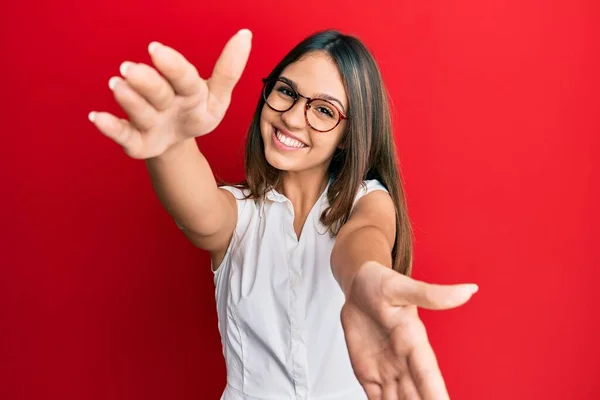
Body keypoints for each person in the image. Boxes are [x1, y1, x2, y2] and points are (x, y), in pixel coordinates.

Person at [89, 28, 478, 400]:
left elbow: (363, 239)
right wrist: (172, 145)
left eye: (324, 111)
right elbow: (199, 215)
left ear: (350, 135)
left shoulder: (368, 200)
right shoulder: (240, 215)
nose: (292, 118)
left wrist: (365, 279)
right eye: (286, 92)